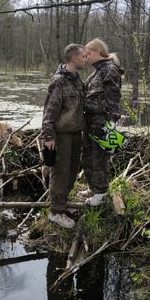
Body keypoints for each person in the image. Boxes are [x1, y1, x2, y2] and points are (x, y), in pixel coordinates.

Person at [40, 44, 86, 228]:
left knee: (73, 170)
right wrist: (49, 137)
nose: (85, 59)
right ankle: (55, 212)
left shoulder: (77, 79)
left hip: (76, 133)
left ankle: (63, 204)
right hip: (61, 135)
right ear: (74, 58)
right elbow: (49, 112)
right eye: (83, 56)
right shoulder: (58, 81)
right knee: (60, 173)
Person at [80, 38, 124, 206]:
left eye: (89, 54)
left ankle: (101, 192)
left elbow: (114, 98)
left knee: (100, 157)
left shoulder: (110, 70)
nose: (86, 57)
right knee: (89, 155)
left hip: (103, 121)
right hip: (90, 121)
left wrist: (112, 123)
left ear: (98, 51)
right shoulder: (96, 71)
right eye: (85, 55)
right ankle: (93, 187)